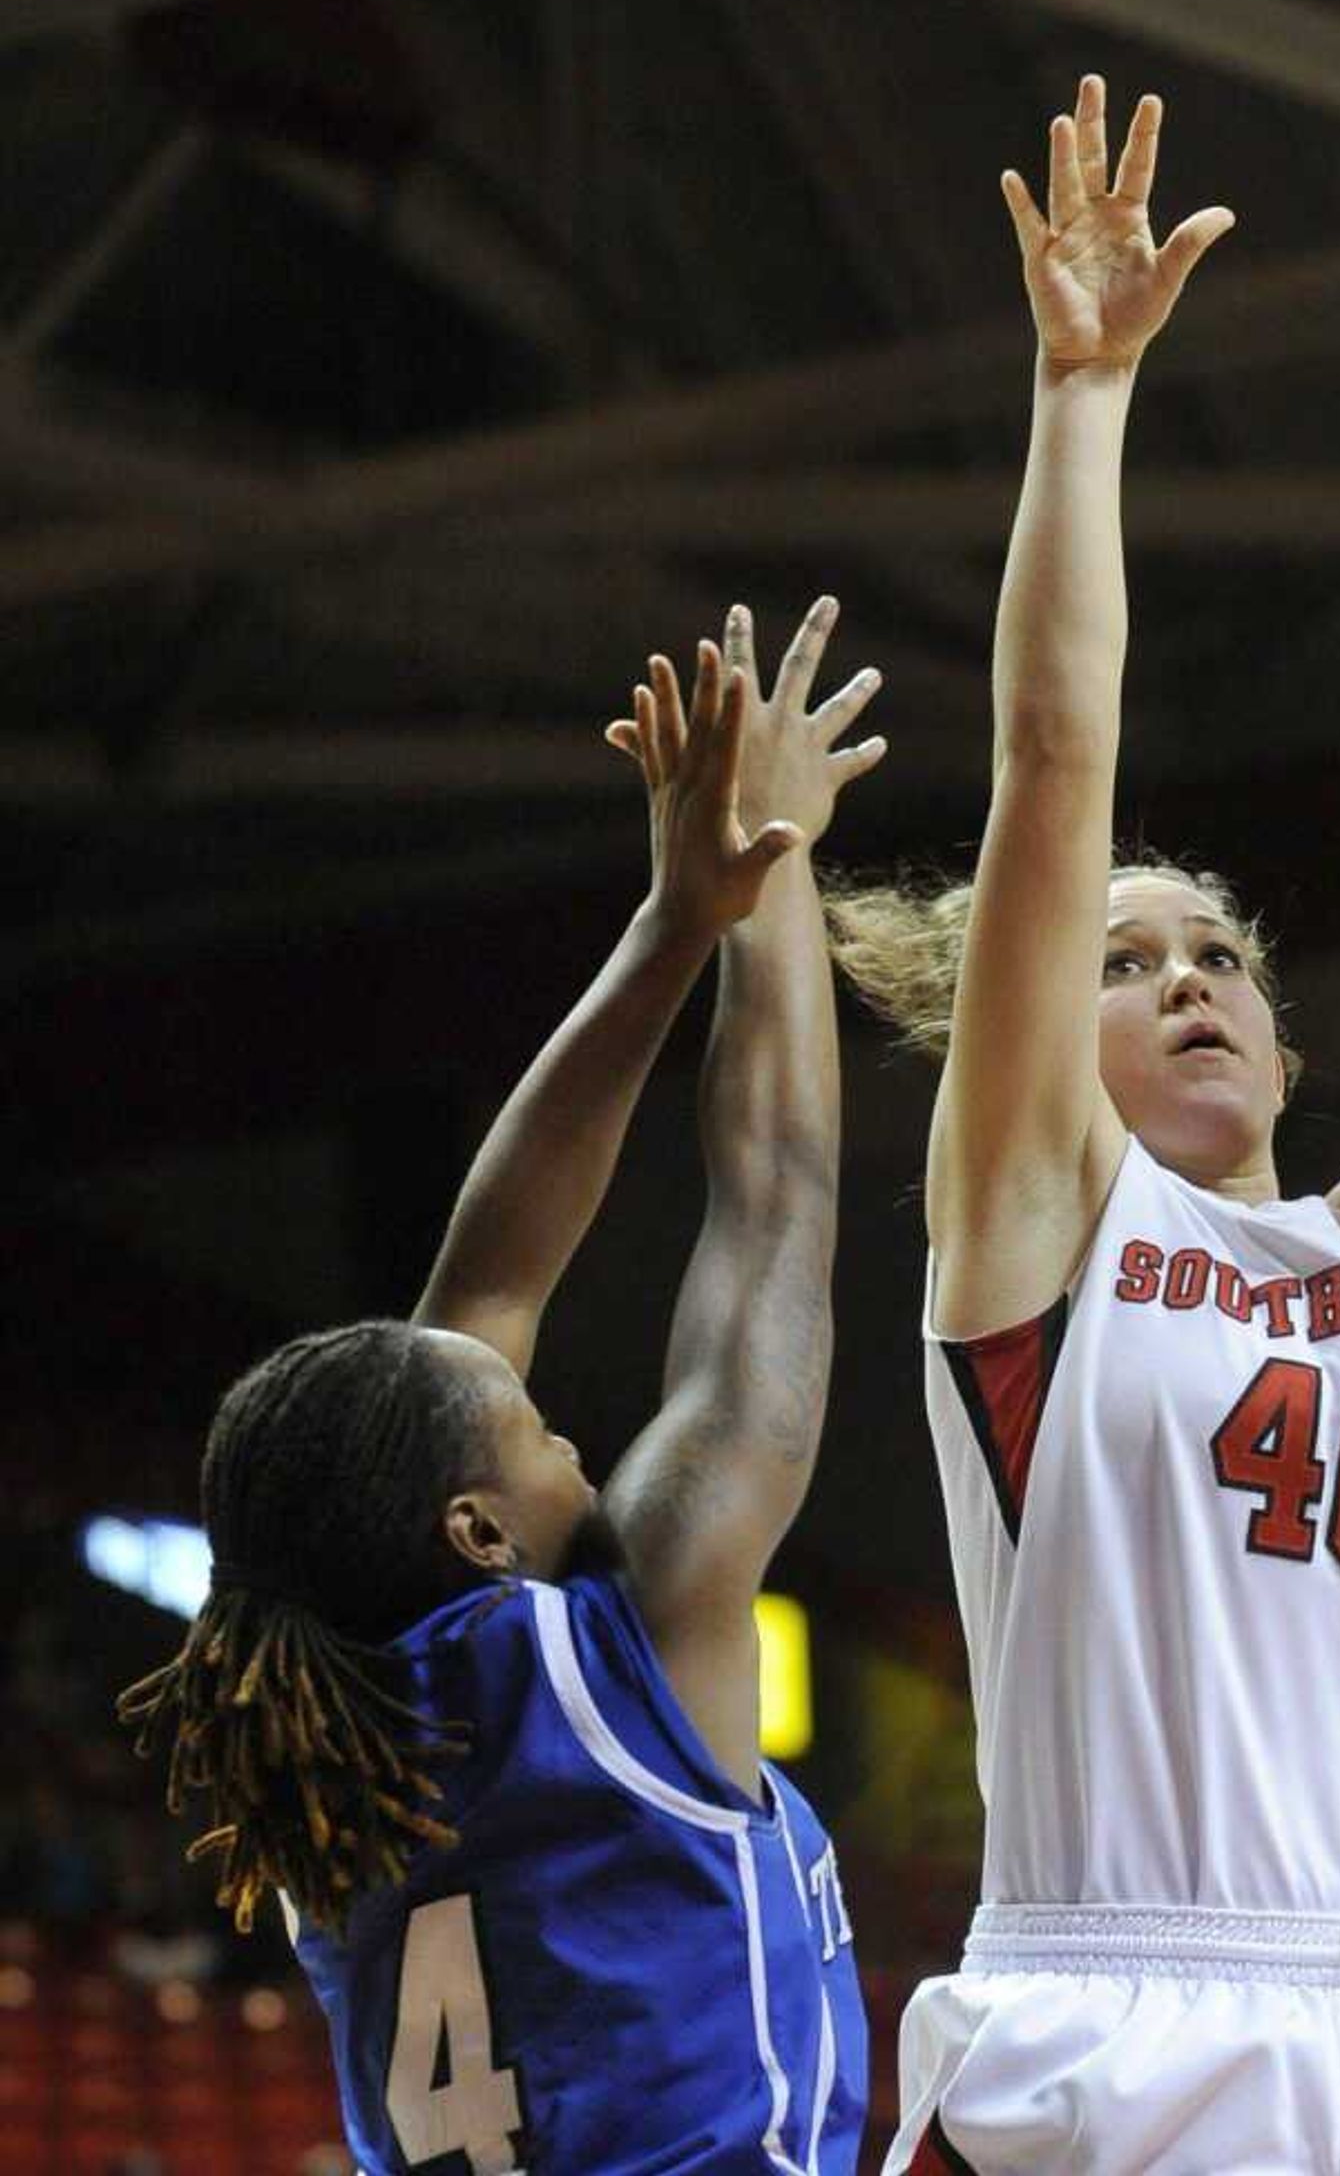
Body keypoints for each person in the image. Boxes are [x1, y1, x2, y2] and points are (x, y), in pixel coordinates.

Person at [827, 79, 1340, 2176]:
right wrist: (1081, 392)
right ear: (1033, 1031)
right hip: (1117, 2010)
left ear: (1280, 1047)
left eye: (1216, 953)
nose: (1185, 973)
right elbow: (1051, 748)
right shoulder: (1035, 1231)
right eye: (1123, 956)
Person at [120, 599, 883, 2176]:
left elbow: (485, 1295)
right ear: (475, 1530)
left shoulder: (347, 1784)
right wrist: (772, 861)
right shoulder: (635, 1648)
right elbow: (776, 1193)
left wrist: (679, 921)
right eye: (540, 1433)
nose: (575, 1439)